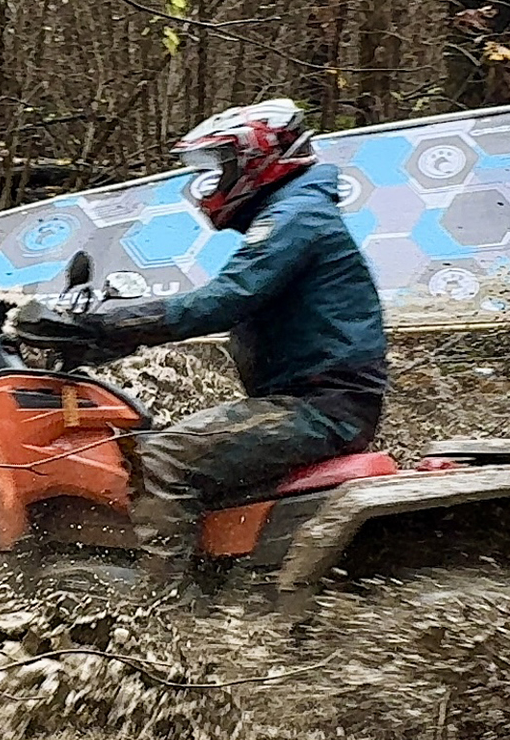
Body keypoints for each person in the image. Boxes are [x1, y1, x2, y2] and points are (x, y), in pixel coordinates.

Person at [21, 99, 388, 589]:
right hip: (313, 399)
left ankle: (163, 610)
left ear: (255, 160)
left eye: (219, 167)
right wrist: (103, 343)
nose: (211, 182)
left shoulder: (297, 217)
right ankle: (219, 579)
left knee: (163, 456)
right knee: (170, 442)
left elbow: (220, 302)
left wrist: (101, 326)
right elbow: (226, 305)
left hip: (319, 407)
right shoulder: (298, 211)